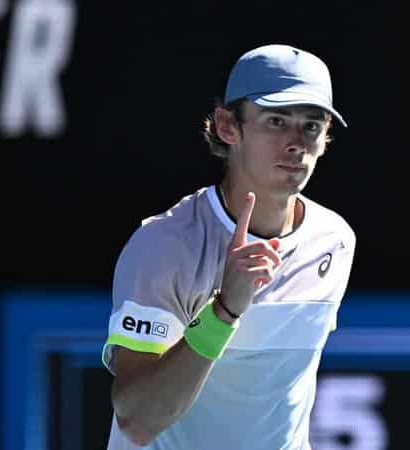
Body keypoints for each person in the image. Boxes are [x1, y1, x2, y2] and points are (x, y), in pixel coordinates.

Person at [102, 44, 356, 449]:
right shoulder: (164, 246)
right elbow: (137, 419)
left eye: (311, 125)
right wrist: (223, 313)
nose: (296, 143)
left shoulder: (335, 241)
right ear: (227, 126)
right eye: (276, 121)